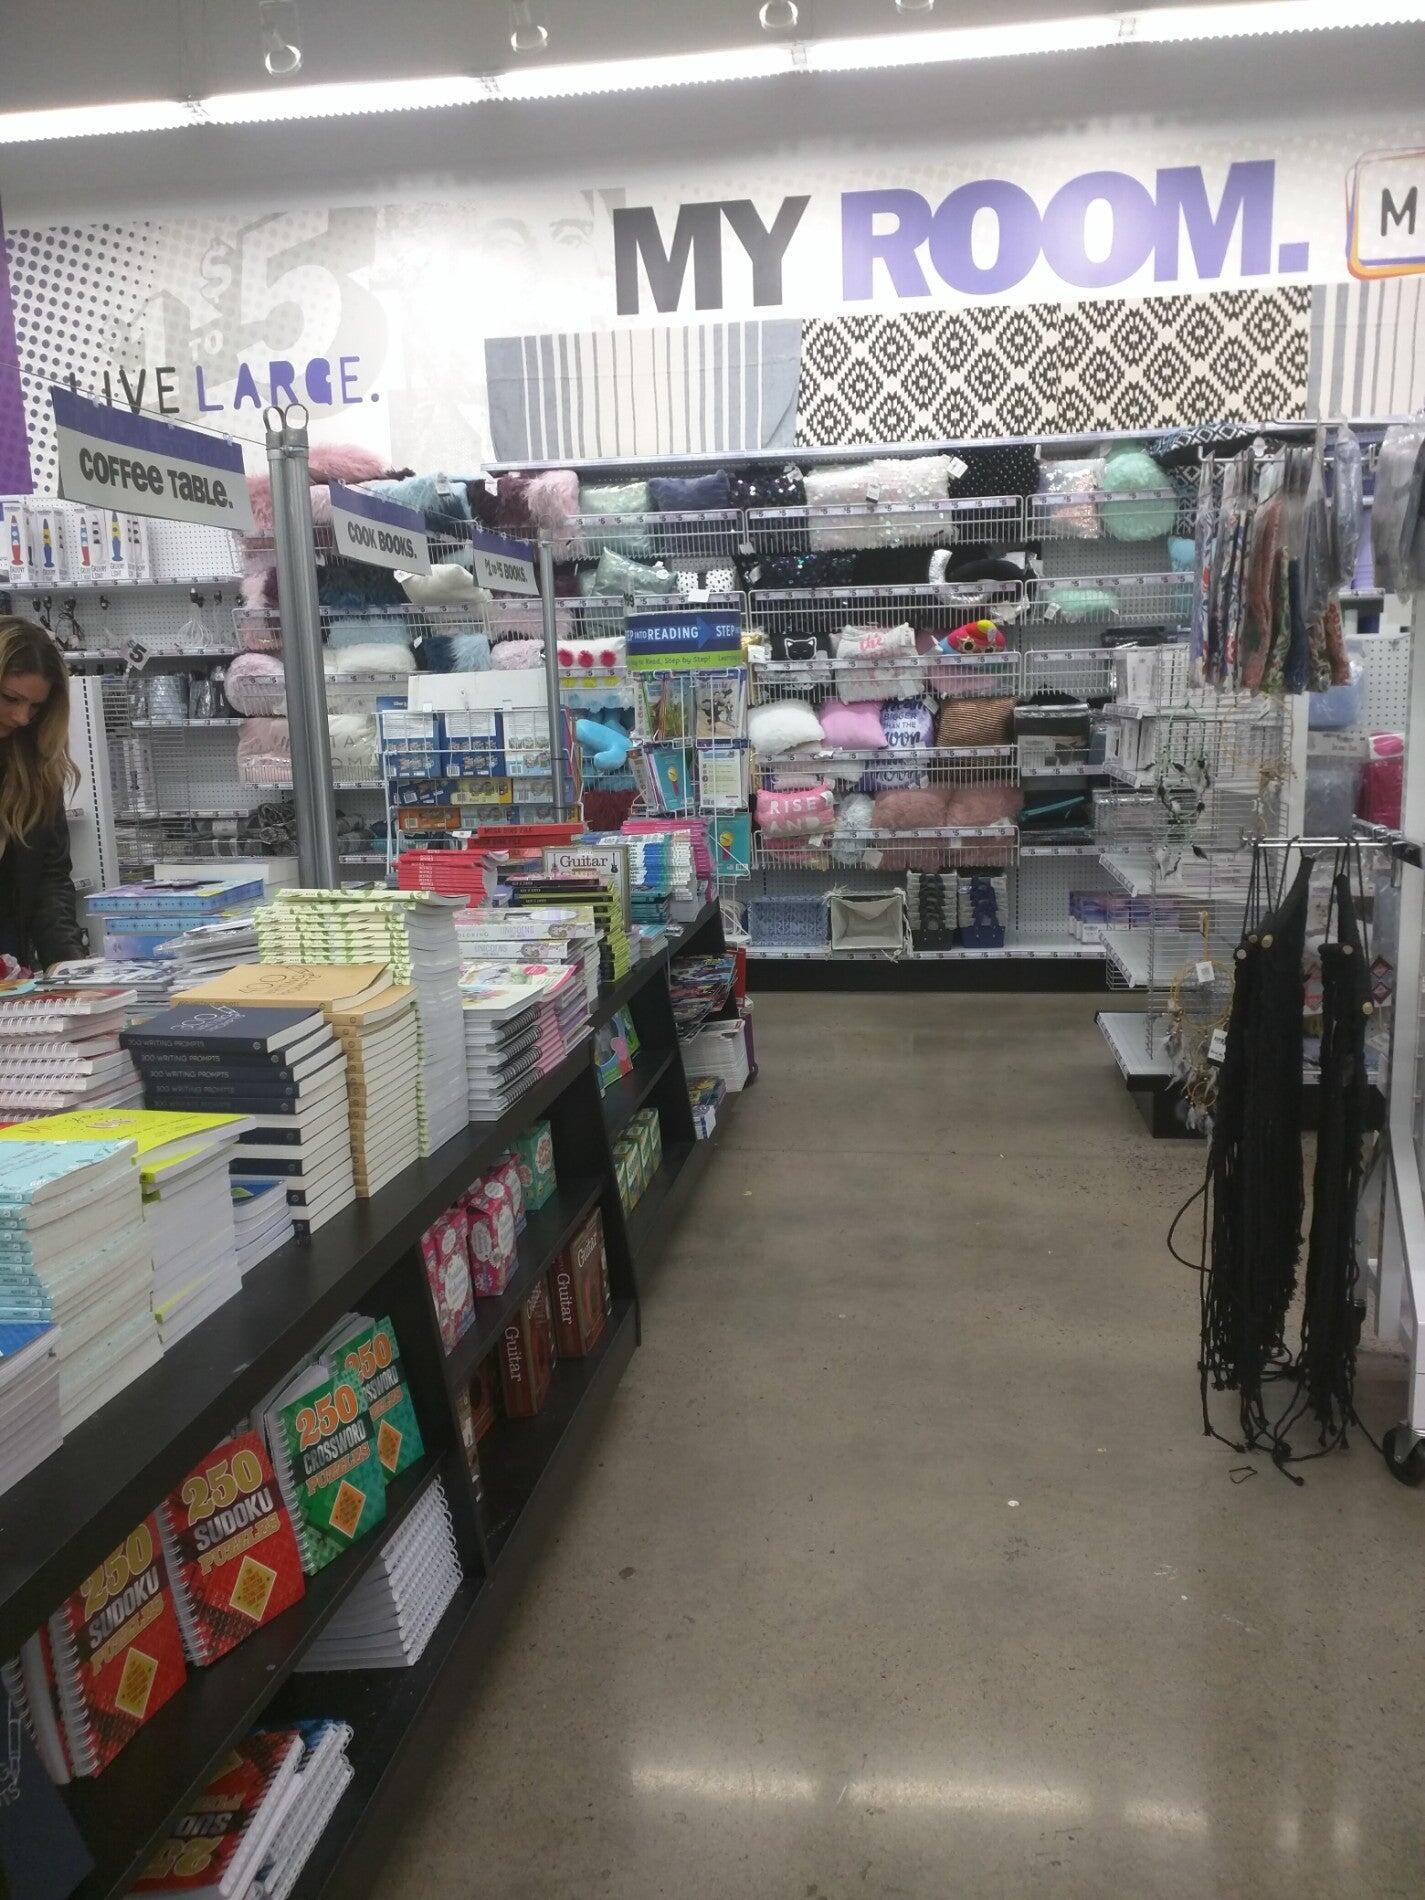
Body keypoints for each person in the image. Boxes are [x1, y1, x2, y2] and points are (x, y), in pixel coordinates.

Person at [0, 616, 87, 970]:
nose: (22, 717)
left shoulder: (32, 764)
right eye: (10, 698)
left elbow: (49, 877)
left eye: (36, 707)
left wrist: (71, 971)